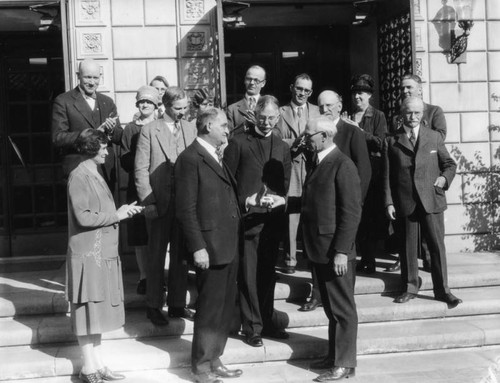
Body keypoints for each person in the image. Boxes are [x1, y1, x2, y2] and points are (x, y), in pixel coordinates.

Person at [66, 129, 143, 383]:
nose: (107, 151)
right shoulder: (79, 176)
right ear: (90, 149)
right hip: (88, 254)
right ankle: (88, 367)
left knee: (96, 312)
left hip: (99, 254)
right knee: (86, 311)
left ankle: (97, 364)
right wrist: (116, 216)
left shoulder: (93, 173)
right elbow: (83, 216)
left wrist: (121, 210)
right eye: (103, 148)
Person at [175, 108, 243, 383]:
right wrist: (197, 247)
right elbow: (186, 209)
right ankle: (201, 367)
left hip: (227, 244)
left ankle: (215, 358)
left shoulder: (216, 155)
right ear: (206, 128)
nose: (228, 130)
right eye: (224, 126)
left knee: (224, 308)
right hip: (210, 247)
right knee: (209, 308)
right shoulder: (190, 159)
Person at [224, 95, 292, 347]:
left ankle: (267, 320)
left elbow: (284, 185)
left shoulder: (283, 147)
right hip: (247, 220)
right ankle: (252, 327)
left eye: (271, 118)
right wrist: (248, 200)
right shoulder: (238, 143)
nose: (266, 123)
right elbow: (228, 183)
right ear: (254, 115)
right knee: (249, 275)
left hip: (272, 221)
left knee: (267, 274)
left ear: (278, 118)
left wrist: (277, 200)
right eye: (262, 118)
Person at [383, 97, 462, 308]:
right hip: (405, 201)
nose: (413, 116)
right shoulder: (391, 140)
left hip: (431, 199)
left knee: (436, 247)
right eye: (409, 112)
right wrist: (389, 202)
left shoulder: (434, 137)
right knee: (407, 247)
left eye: (417, 113)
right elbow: (387, 175)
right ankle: (409, 287)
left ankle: (443, 290)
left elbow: (449, 165)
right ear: (402, 114)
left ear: (422, 114)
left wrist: (444, 179)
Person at [299, 90, 371, 312]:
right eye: (321, 107)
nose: (325, 110)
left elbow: (363, 171)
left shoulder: (351, 132)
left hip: (342, 212)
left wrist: (355, 202)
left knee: (341, 306)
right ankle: (317, 294)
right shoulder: (314, 138)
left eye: (329, 106)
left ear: (339, 106)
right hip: (320, 222)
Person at [302, 117, 362, 382]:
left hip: (336, 251)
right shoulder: (320, 161)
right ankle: (334, 356)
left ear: (324, 136)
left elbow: (351, 213)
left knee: (342, 309)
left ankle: (344, 365)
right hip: (320, 249)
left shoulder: (342, 164)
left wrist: (341, 251)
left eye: (309, 135)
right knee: (331, 308)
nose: (306, 139)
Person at [135, 87, 196, 325]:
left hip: (184, 204)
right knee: (156, 256)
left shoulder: (191, 128)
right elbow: (140, 169)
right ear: (166, 106)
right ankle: (153, 305)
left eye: (185, 108)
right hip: (158, 203)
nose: (182, 112)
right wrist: (147, 201)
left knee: (181, 256)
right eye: (177, 108)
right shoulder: (150, 130)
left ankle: (177, 305)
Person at [386, 73, 447, 272]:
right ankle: (407, 268)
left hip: (427, 178)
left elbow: (440, 137)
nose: (404, 91)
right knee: (407, 234)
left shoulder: (433, 111)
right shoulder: (398, 115)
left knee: (432, 233)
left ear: (420, 89)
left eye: (409, 87)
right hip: (406, 185)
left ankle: (430, 262)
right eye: (402, 88)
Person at [52, 59, 123, 193]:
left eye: (95, 78)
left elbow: (119, 137)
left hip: (105, 171)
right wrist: (90, 134)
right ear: (78, 76)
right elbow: (58, 138)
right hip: (77, 169)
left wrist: (111, 130)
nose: (92, 82)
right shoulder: (63, 101)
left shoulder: (107, 102)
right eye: (87, 77)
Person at [276, 73, 320, 275]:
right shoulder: (280, 112)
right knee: (291, 215)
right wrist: (294, 143)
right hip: (291, 168)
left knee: (313, 215)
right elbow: (276, 140)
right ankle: (290, 259)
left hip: (312, 168)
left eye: (307, 90)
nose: (302, 93)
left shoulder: (318, 112)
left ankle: (312, 258)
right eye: (299, 88)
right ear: (292, 87)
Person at [345, 74, 388, 274]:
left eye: (361, 94)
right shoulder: (348, 115)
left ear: (370, 95)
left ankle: (369, 259)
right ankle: (355, 257)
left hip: (372, 170)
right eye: (355, 94)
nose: (357, 98)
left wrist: (358, 131)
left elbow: (381, 142)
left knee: (369, 215)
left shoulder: (378, 116)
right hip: (352, 168)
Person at [120, 86, 159, 295]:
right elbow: (124, 159)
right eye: (141, 102)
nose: (145, 105)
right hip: (137, 187)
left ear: (156, 105)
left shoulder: (161, 125)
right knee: (139, 235)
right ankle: (144, 276)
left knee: (159, 233)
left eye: (149, 102)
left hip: (158, 186)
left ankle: (160, 274)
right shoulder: (130, 129)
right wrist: (141, 156)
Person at [226, 65, 266, 135]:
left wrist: (257, 125)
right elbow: (228, 136)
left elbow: (277, 133)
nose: (252, 83)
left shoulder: (268, 106)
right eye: (249, 79)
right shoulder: (232, 109)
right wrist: (244, 126)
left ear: (263, 83)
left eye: (256, 80)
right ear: (244, 80)